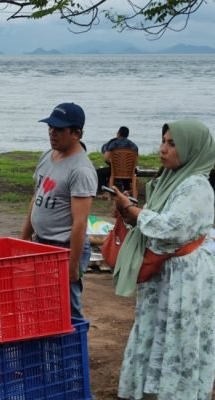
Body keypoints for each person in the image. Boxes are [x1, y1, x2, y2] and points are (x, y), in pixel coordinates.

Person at [112, 119, 215, 399]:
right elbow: (160, 223)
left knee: (179, 334)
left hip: (186, 277)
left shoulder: (196, 185)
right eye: (163, 142)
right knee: (157, 328)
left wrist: (136, 214)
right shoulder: (171, 180)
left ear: (192, 149)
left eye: (172, 144)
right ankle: (156, 387)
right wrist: (131, 213)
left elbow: (174, 228)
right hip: (166, 272)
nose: (163, 149)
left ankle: (178, 391)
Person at [21, 102, 97, 319]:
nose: (52, 133)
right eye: (50, 127)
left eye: (59, 129)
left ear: (76, 133)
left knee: (67, 307)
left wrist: (73, 266)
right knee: (41, 302)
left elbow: (80, 223)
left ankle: (75, 349)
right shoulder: (48, 156)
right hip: (42, 243)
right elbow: (36, 198)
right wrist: (24, 238)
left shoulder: (81, 169)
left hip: (64, 247)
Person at [96, 126, 138, 193]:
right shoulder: (133, 146)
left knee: (99, 172)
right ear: (127, 135)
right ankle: (126, 189)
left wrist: (113, 164)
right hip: (129, 172)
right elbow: (136, 162)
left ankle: (103, 191)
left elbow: (106, 159)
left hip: (115, 171)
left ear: (118, 134)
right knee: (130, 170)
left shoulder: (113, 144)